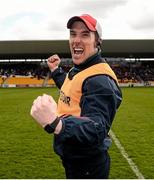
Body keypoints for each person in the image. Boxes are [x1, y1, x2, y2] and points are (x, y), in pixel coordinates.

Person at [30, 14, 122, 179]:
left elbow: (97, 127)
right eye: (73, 34)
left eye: (85, 34)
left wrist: (56, 123)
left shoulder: (100, 79)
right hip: (75, 157)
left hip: (87, 165)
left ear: (97, 42)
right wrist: (55, 70)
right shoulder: (80, 68)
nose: (76, 40)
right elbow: (70, 85)